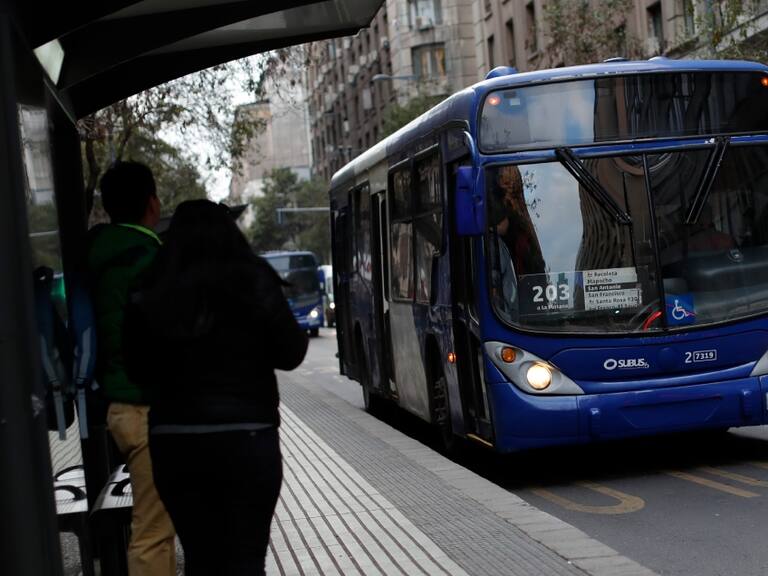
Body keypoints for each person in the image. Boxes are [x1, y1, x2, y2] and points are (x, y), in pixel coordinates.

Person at [123, 199, 309, 575]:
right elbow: (291, 352)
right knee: (247, 558)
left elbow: (136, 369)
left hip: (175, 441)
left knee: (201, 558)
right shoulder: (254, 279)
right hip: (248, 437)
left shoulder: (151, 287)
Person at [86, 161, 176, 576]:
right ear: (152, 204)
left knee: (155, 524)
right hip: (145, 408)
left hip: (118, 406)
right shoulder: (148, 257)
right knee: (153, 531)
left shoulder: (95, 253)